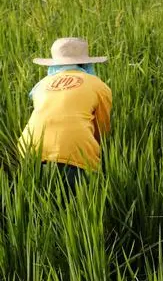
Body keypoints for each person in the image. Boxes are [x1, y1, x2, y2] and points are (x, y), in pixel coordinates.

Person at [18, 37, 112, 190]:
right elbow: (102, 129)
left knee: (38, 197)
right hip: (75, 150)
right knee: (76, 203)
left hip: (29, 148)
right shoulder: (99, 86)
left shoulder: (41, 85)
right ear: (86, 63)